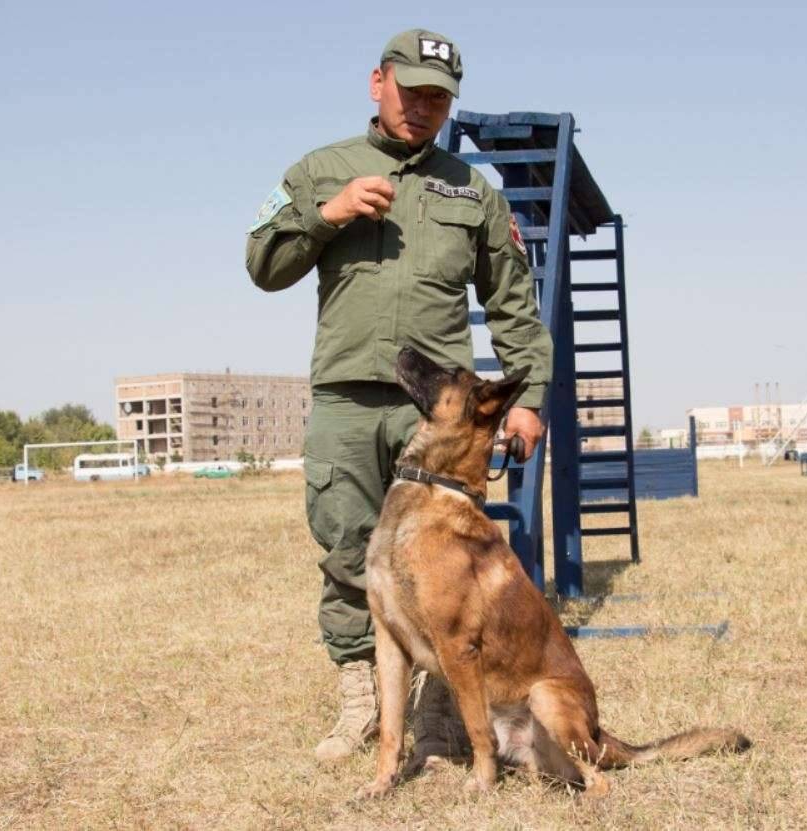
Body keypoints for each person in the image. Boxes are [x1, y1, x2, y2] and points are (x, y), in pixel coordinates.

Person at [245, 29, 553, 765]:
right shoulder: (322, 170)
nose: (423, 107)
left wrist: (527, 395)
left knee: (448, 567)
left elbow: (513, 301)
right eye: (411, 90)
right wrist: (328, 213)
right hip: (349, 399)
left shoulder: (473, 191)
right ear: (376, 81)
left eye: (439, 98)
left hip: (439, 419)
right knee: (349, 552)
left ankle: (442, 712)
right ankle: (360, 703)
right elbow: (262, 262)